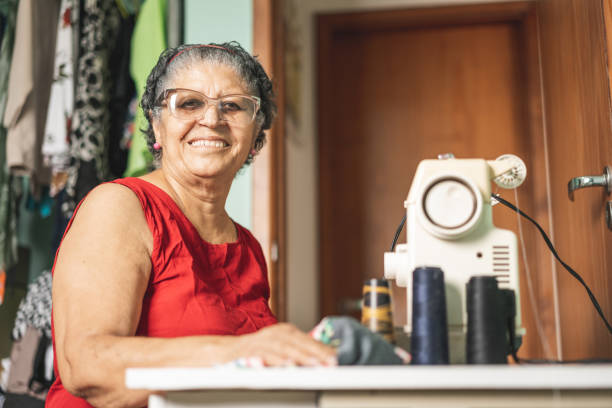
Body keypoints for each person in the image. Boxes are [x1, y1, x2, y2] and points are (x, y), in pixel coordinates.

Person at [47, 42, 336, 408]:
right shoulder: (119, 207)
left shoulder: (247, 247)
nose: (212, 119)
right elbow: (87, 364)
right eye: (189, 103)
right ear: (157, 126)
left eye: (232, 106)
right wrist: (242, 352)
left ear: (255, 135)